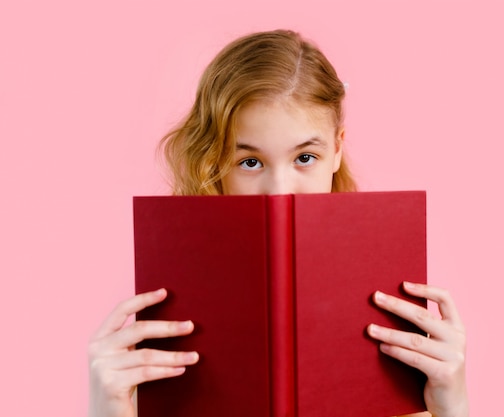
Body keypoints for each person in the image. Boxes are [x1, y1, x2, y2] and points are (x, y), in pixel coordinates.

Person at [88, 29, 469, 417]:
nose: (280, 190)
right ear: (214, 161)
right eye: (250, 162)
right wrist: (109, 411)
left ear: (336, 148)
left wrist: (452, 406)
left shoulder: (391, 296)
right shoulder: (161, 320)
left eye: (305, 158)